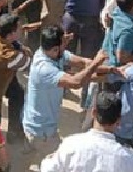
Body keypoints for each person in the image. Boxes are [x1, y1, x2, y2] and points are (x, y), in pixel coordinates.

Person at [23, 27, 108, 165]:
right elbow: (75, 82)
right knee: (62, 163)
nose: (66, 44)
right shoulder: (44, 68)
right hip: (42, 131)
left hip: (38, 123)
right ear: (55, 49)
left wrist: (111, 71)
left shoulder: (52, 53)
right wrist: (97, 62)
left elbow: (83, 63)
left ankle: (30, 148)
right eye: (63, 42)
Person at [40, 91, 133, 172]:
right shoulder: (128, 158)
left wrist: (47, 160)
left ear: (93, 113)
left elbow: (48, 169)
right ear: (118, 121)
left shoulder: (70, 144)